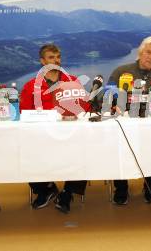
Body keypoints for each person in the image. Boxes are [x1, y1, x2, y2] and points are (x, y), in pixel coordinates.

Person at [20, 43, 89, 213]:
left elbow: (86, 107)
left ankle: (68, 192)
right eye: (51, 57)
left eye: (58, 57)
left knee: (85, 148)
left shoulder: (72, 81)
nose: (56, 61)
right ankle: (46, 189)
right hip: (42, 135)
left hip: (71, 133)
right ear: (42, 61)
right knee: (25, 151)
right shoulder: (30, 86)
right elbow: (24, 113)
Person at [108, 36, 151, 205]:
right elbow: (106, 97)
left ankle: (150, 185)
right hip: (125, 124)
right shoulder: (121, 71)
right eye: (148, 52)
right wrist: (113, 105)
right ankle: (121, 187)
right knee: (117, 146)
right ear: (140, 52)